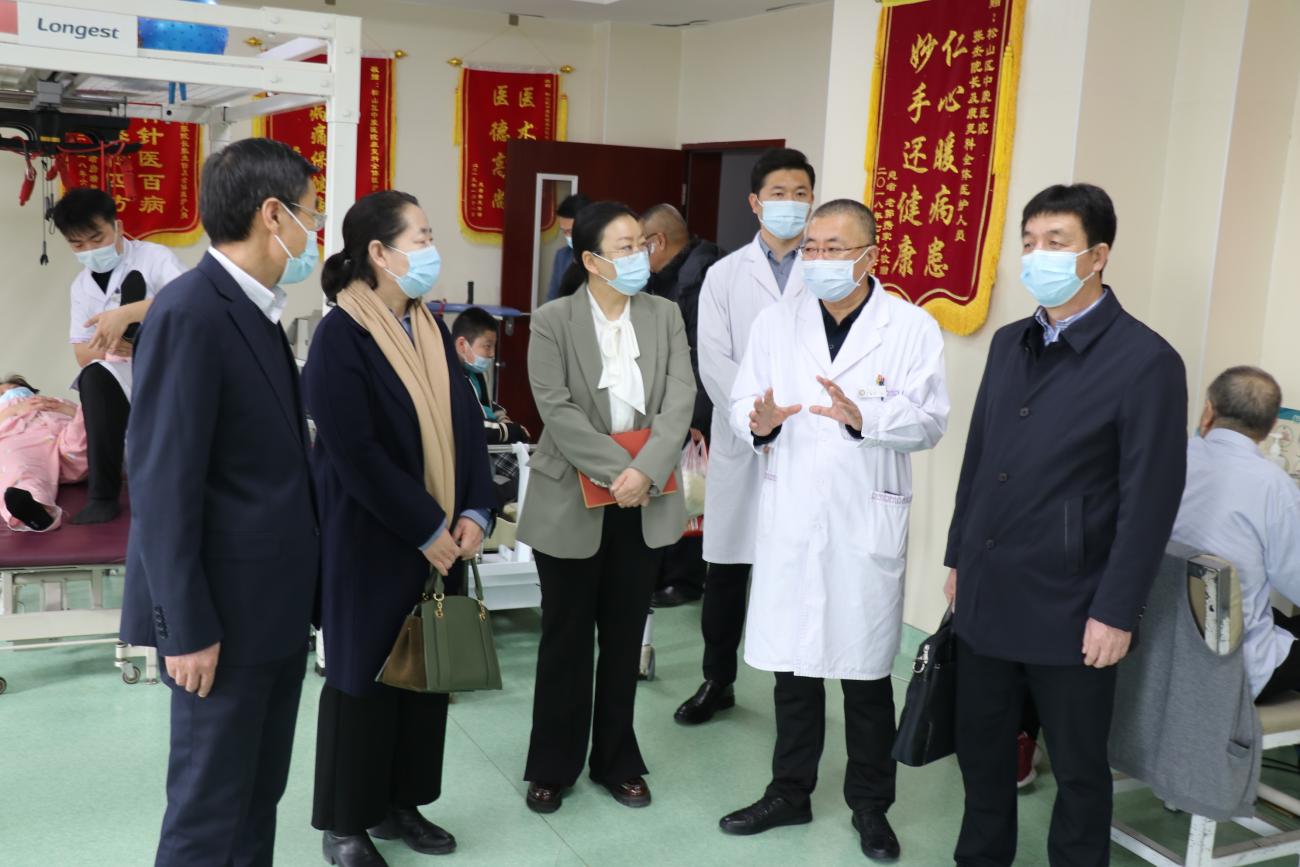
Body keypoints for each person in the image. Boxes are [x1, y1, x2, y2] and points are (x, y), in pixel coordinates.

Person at [944, 183, 1188, 867]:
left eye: (1056, 242)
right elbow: (978, 458)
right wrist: (958, 557)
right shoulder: (1009, 343)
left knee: (1079, 771)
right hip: (989, 585)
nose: (1037, 256)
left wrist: (1116, 610)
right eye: (1029, 243)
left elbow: (1150, 501)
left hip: (1075, 603)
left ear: (1097, 256)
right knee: (982, 751)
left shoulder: (1146, 361)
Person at [717, 199, 948, 862]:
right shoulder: (777, 321)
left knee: (866, 675)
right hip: (793, 515)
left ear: (870, 256)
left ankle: (871, 806)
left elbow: (930, 421)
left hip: (862, 517)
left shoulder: (910, 327)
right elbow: (743, 401)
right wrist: (757, 421)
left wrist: (864, 417)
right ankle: (789, 792)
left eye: (833, 248)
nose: (817, 259)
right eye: (811, 248)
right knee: (793, 670)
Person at [119, 137, 322, 867]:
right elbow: (163, 484)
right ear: (273, 214)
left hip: (271, 610)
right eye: (310, 212)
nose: (314, 228)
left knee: (256, 796)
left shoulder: (256, 310)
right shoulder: (192, 313)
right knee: (208, 812)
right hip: (221, 621)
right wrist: (186, 628)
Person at [305, 190, 496, 867]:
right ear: (379, 253)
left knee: (424, 676)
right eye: (421, 237)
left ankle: (400, 803)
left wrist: (475, 510)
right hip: (371, 539)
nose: (432, 249)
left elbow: (467, 425)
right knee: (362, 680)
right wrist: (424, 525)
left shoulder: (428, 326)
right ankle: (345, 823)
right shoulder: (341, 335)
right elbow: (354, 451)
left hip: (441, 537)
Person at [518, 201, 695, 814]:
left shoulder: (665, 315)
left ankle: (617, 760)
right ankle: (552, 765)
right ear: (591, 261)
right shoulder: (553, 320)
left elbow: (680, 397)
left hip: (642, 498)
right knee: (564, 641)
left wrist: (644, 471)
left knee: (624, 642)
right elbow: (555, 406)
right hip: (573, 496)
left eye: (642, 243)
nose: (639, 254)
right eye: (624, 247)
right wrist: (618, 469)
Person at [679, 147, 814, 725]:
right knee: (728, 568)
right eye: (779, 194)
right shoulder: (724, 274)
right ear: (756, 203)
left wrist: (790, 414)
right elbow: (712, 359)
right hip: (742, 438)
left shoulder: (826, 272)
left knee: (797, 567)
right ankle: (718, 679)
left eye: (801, 194)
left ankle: (795, 685)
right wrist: (756, 415)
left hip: (809, 438)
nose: (791, 204)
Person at [52, 187, 186, 523]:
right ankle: (102, 496)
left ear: (118, 227)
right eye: (77, 245)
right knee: (94, 376)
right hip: (121, 367)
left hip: (171, 363)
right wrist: (115, 341)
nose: (89, 250)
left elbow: (189, 303)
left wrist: (129, 316)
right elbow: (82, 352)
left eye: (97, 238)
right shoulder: (81, 287)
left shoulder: (154, 258)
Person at [1172, 367, 1300, 702]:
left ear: (1208, 410)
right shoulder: (1274, 486)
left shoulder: (1170, 459)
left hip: (1165, 646)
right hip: (1233, 664)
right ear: (1271, 426)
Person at [640, 203, 725, 607]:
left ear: (658, 242)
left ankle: (684, 579)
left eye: (639, 245)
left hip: (693, 408)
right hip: (667, 402)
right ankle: (659, 573)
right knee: (667, 486)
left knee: (689, 488)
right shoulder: (667, 278)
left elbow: (704, 355)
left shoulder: (700, 279)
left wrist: (696, 416)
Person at [0, 376, 88, 532]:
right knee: (21, 466)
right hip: (26, 444)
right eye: (1, 393)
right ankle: (37, 511)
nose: (9, 392)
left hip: (67, 448)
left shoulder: (56, 401)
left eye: (13, 387)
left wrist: (65, 409)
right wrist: (12, 410)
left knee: (83, 426)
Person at [451, 305, 530, 445]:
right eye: (487, 346)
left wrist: (502, 418)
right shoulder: (450, 380)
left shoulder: (473, 372)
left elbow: (484, 403)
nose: (492, 354)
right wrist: (509, 431)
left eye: (494, 346)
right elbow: (471, 428)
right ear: (462, 345)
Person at [545, 193, 591, 302]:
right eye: (564, 231)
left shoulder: (604, 256)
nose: (568, 236)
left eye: (570, 231)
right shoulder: (562, 256)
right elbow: (552, 297)